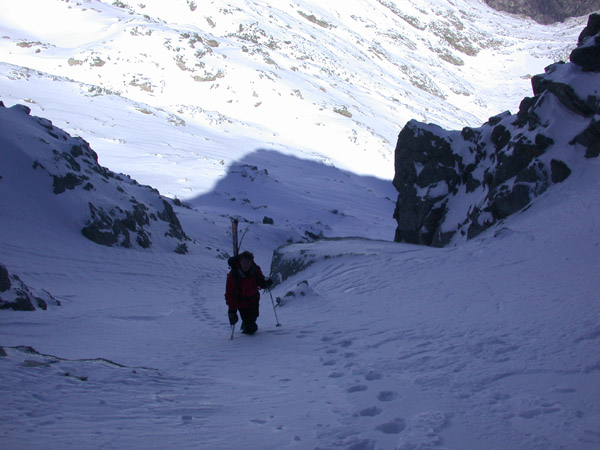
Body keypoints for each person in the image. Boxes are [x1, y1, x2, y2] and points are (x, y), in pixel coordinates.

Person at [225, 251, 272, 335]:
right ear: (240, 261)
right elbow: (230, 293)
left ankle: (246, 325)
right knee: (251, 328)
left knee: (254, 317)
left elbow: (260, 282)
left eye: (248, 262)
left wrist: (266, 283)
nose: (246, 264)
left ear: (251, 262)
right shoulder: (233, 275)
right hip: (242, 303)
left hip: (254, 300)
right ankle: (247, 330)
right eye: (244, 262)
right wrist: (232, 310)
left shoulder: (255, 270)